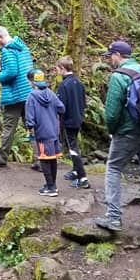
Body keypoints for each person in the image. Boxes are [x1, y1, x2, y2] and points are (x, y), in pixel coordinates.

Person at [95, 40, 140, 243]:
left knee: (113, 168)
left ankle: (114, 217)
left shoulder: (118, 77)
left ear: (118, 55)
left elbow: (111, 113)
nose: (110, 60)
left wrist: (112, 131)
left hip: (126, 133)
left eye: (111, 56)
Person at [0, 26, 35, 167]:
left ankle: (1, 156)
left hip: (15, 95)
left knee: (8, 127)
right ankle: (40, 158)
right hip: (29, 92)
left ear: (0, 38)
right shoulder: (22, 47)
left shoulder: (7, 50)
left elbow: (12, 72)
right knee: (31, 126)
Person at [25, 69, 66, 196]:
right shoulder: (51, 93)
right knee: (52, 158)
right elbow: (62, 108)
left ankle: (51, 187)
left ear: (32, 82)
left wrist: (30, 130)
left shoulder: (32, 96)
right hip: (54, 132)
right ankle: (52, 184)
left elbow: (29, 117)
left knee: (43, 159)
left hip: (42, 132)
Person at [56, 56, 90, 189]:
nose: (57, 71)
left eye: (58, 69)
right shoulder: (78, 83)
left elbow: (61, 106)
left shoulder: (63, 85)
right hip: (78, 119)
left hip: (69, 121)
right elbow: (84, 102)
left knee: (73, 148)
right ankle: (76, 171)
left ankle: (83, 178)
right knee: (73, 144)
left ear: (63, 69)